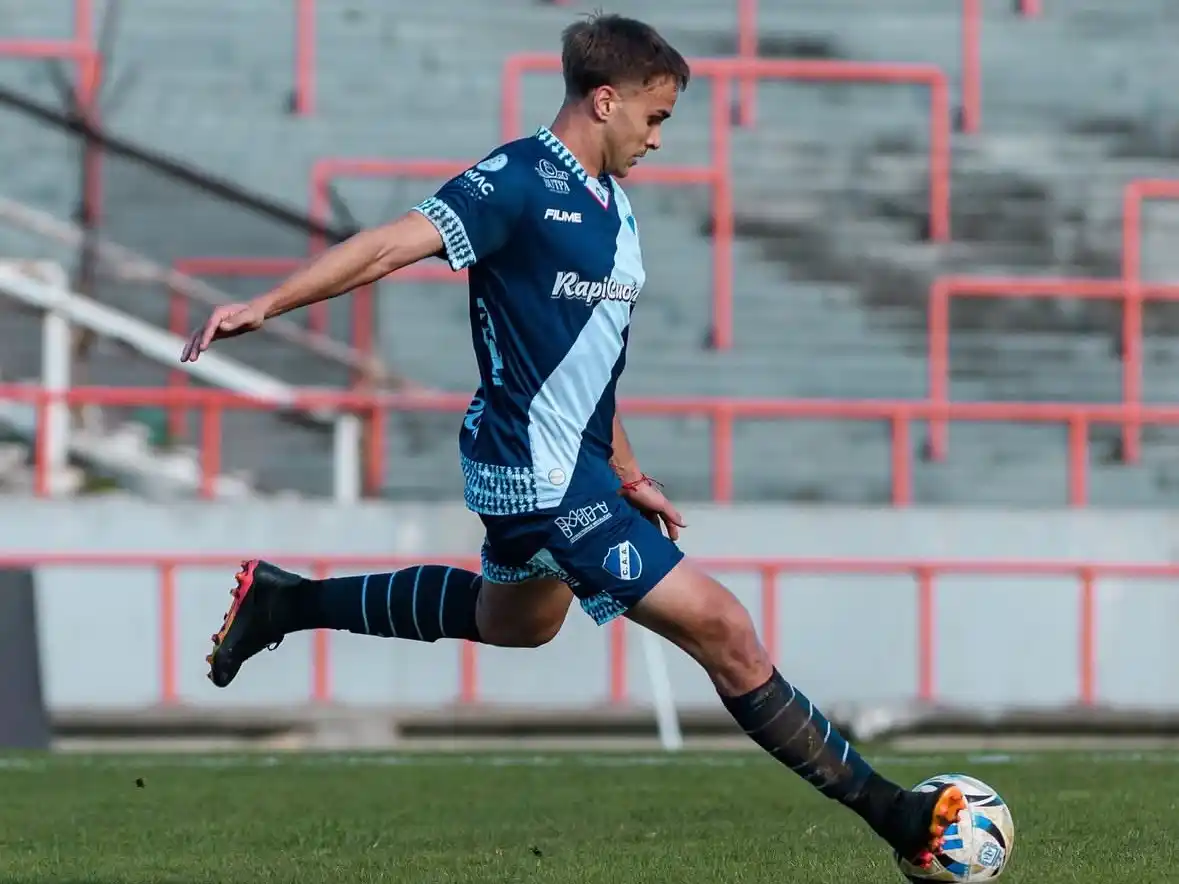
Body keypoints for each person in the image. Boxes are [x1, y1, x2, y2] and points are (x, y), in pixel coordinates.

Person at [180, 12, 963, 870]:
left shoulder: (616, 211)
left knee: (515, 624)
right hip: (536, 473)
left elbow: (589, 363)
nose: (657, 138)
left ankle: (286, 603)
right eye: (653, 117)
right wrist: (268, 304)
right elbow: (386, 246)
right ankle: (896, 816)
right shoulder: (515, 179)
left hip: (575, 468)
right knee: (725, 630)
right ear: (604, 101)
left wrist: (626, 471)